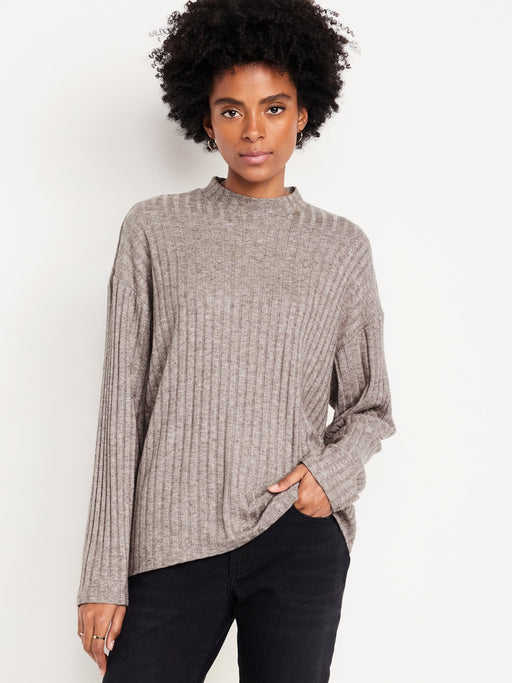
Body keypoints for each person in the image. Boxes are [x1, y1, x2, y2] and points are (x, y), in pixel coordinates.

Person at [76, 1, 396, 681]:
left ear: (303, 113)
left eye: (274, 108)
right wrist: (103, 573)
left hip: (295, 536)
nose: (253, 131)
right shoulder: (154, 230)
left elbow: (369, 407)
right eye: (231, 110)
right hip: (169, 541)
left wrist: (328, 480)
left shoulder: (340, 247)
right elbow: (120, 409)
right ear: (205, 118)